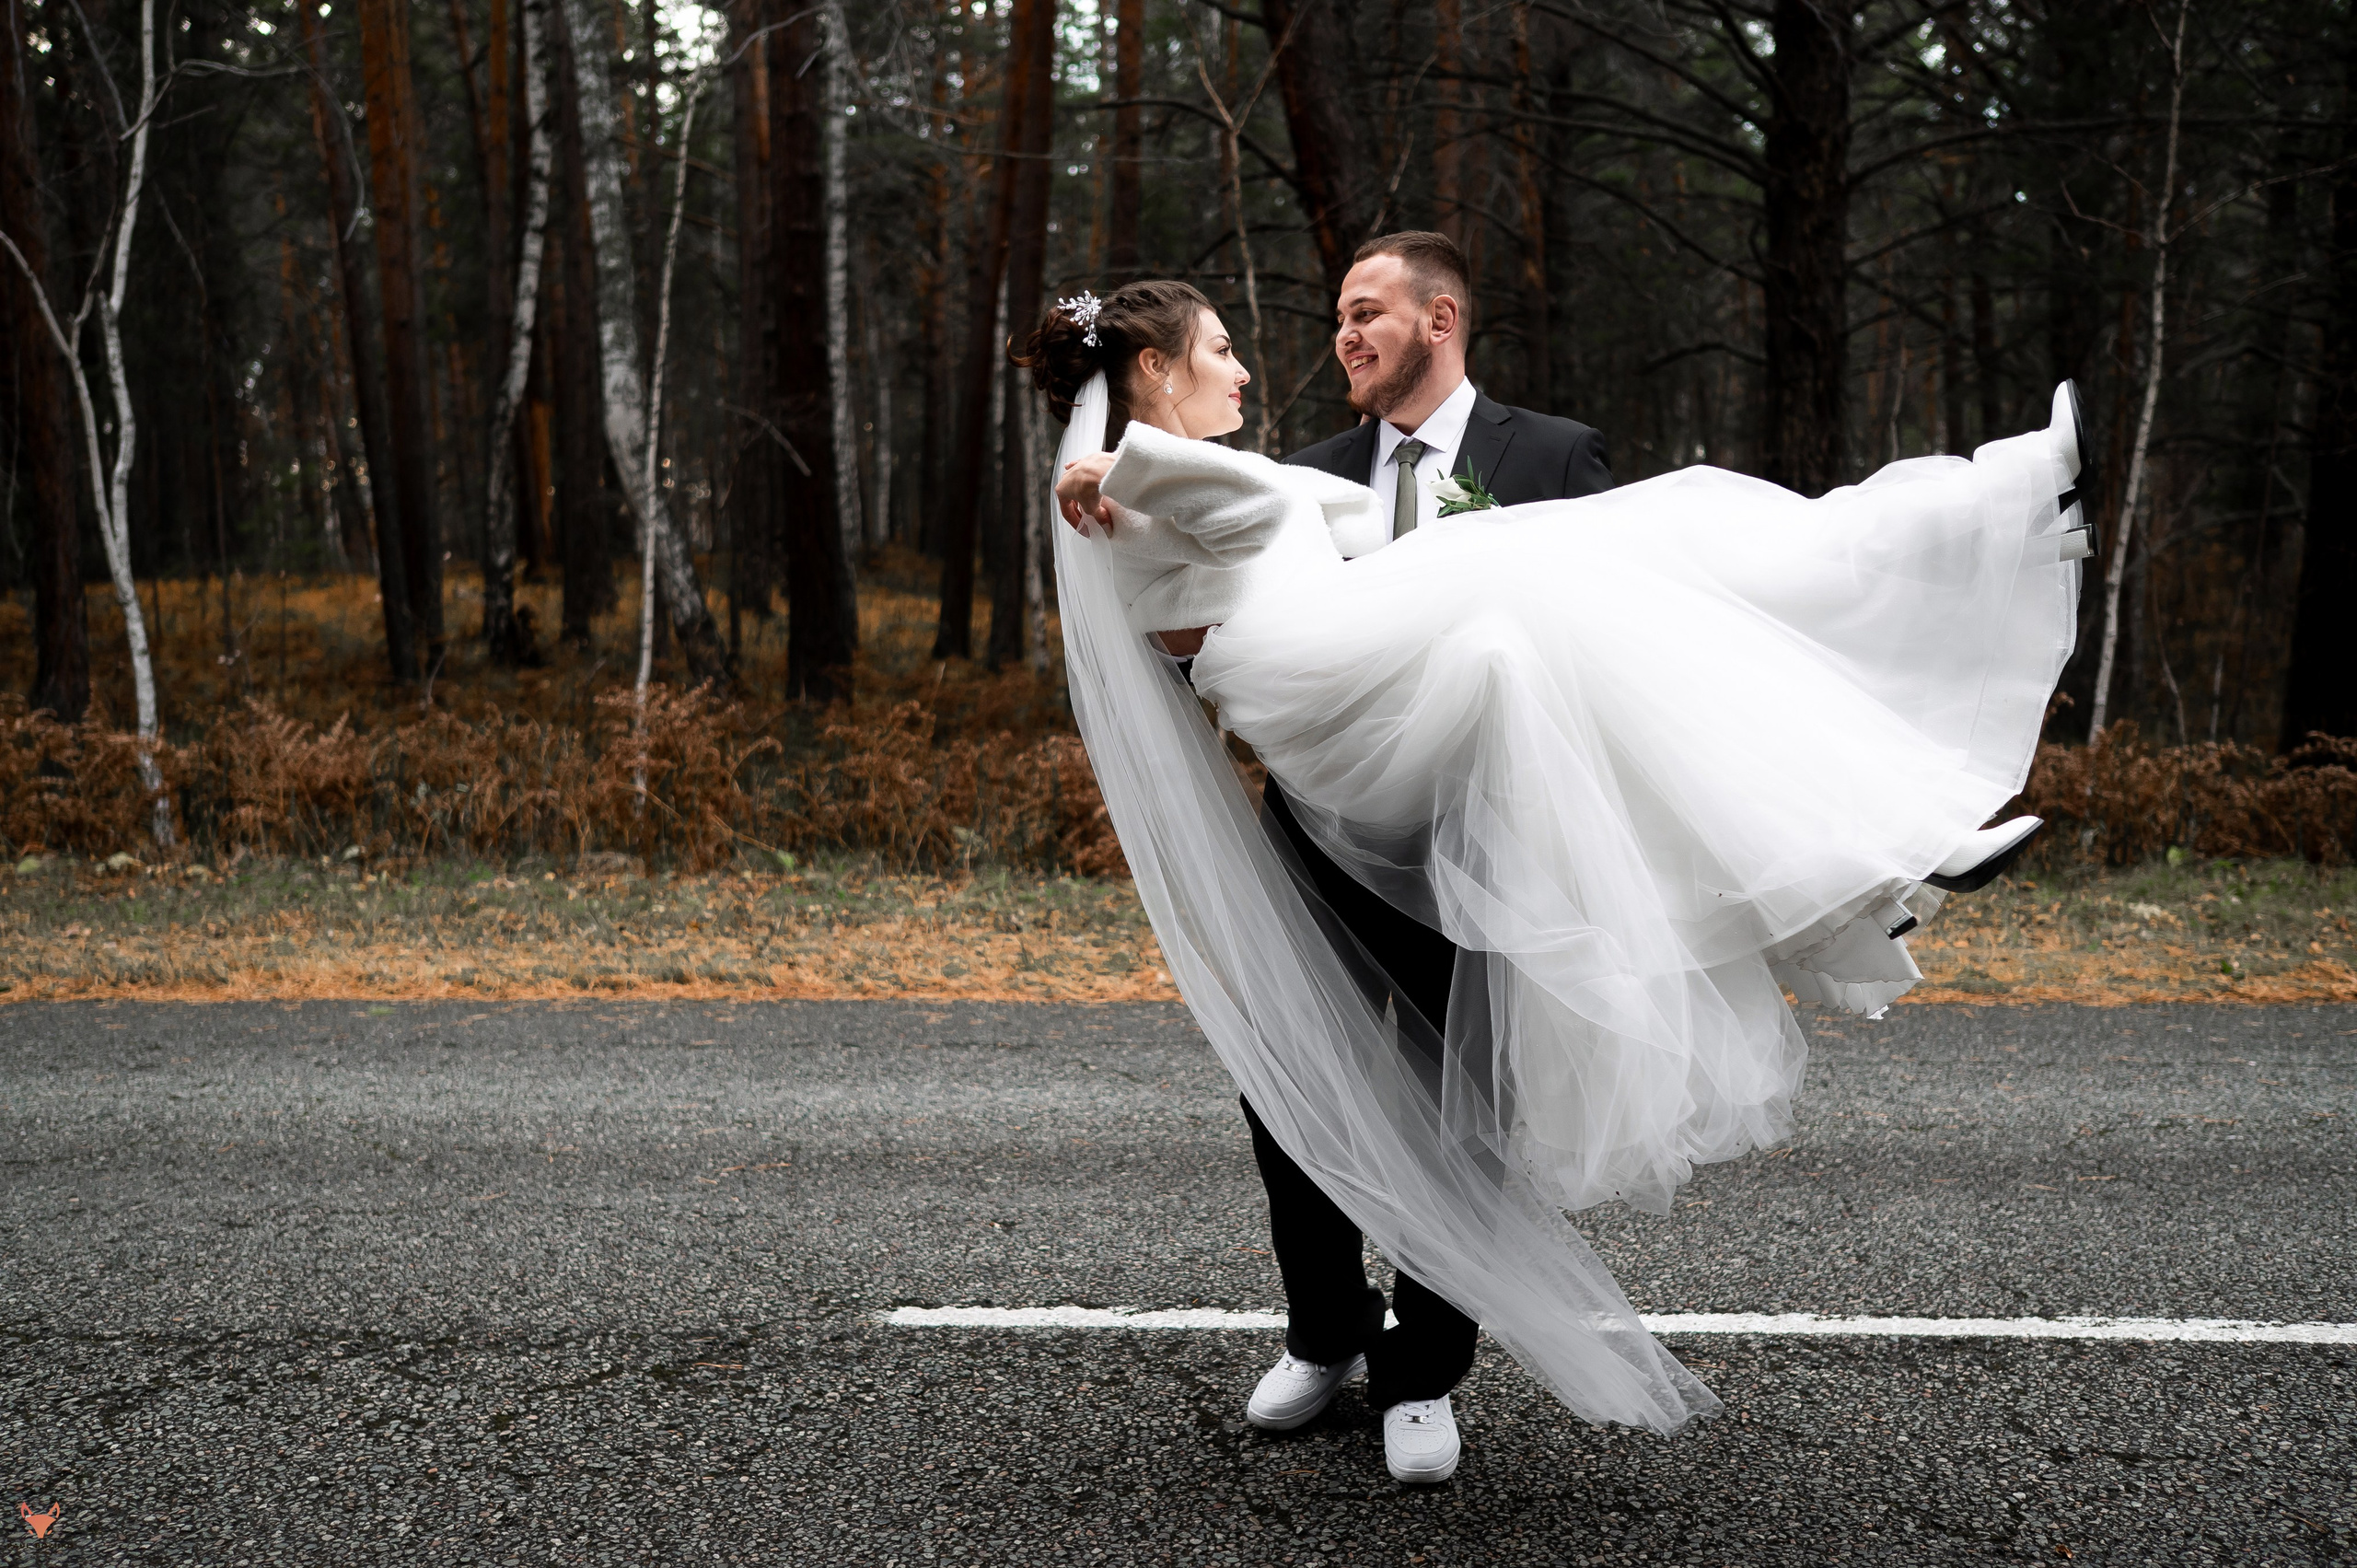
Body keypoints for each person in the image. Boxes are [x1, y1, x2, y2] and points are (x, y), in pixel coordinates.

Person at [1022, 274, 2084, 1487]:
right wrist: (1107, 470)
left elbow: (1305, 514)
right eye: (1220, 348)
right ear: (1152, 370)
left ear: (1442, 316)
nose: (1254, 366)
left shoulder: (1471, 457)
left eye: (1366, 310)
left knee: (1469, 1065)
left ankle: (1424, 1372)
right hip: (1328, 796)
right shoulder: (1144, 485)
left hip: (1467, 804)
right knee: (1291, 1090)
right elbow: (1179, 511)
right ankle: (1326, 1334)